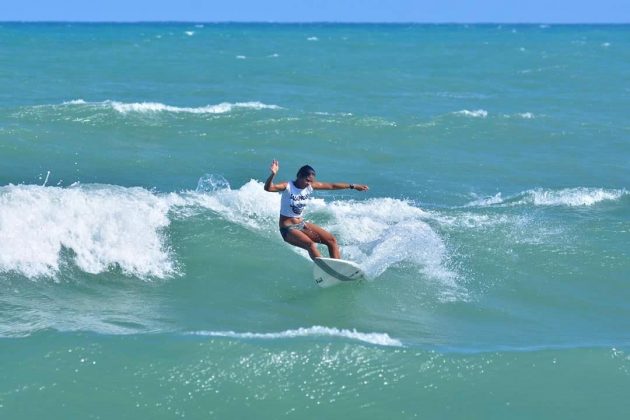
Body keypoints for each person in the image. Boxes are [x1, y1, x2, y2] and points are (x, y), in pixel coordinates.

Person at [264, 160, 368, 260]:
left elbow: (332, 186)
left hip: (301, 225)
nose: (309, 183)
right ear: (299, 176)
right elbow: (268, 188)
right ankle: (326, 268)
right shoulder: (288, 186)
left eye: (311, 181)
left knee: (331, 240)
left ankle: (338, 267)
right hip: (287, 229)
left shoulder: (309, 186)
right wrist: (273, 174)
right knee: (311, 245)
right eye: (307, 180)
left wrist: (353, 186)